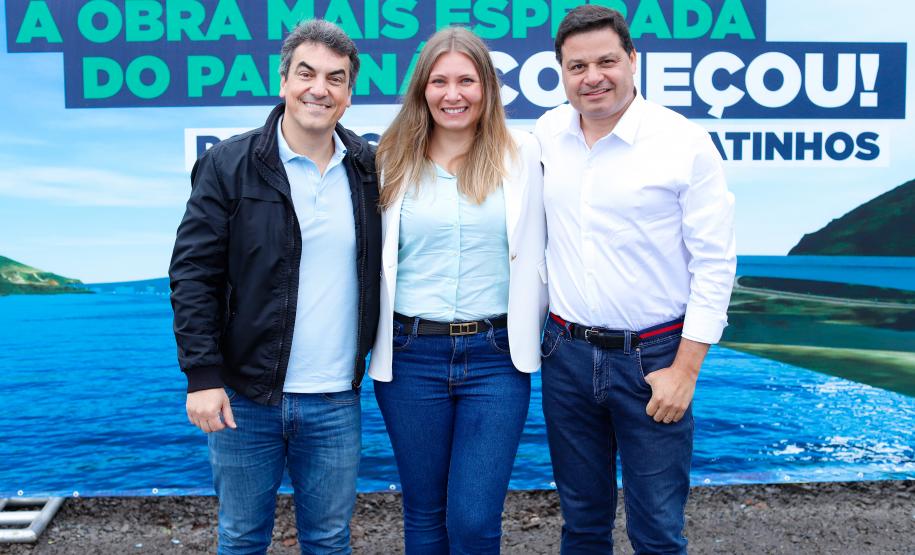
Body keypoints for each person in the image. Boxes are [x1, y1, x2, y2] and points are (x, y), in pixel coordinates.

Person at [168, 19, 380, 554]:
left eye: (336, 78)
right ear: (283, 80)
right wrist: (202, 376)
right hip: (245, 398)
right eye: (306, 73)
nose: (319, 88)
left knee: (329, 539)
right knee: (241, 538)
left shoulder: (369, 169)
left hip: (335, 399)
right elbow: (194, 275)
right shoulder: (226, 165)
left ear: (349, 94)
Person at [533, 6, 736, 554]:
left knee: (657, 532)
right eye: (577, 66)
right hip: (567, 357)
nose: (592, 76)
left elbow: (715, 264)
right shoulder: (547, 134)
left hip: (655, 359)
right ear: (561, 71)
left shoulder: (683, 143)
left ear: (633, 61)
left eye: (606, 61)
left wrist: (685, 373)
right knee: (581, 525)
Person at [367, 26, 548, 554]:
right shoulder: (387, 161)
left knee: (472, 520)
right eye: (440, 81)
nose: (453, 94)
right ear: (422, 89)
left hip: (495, 357)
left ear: (487, 87)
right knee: (424, 515)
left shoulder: (524, 156)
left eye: (467, 80)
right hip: (409, 356)